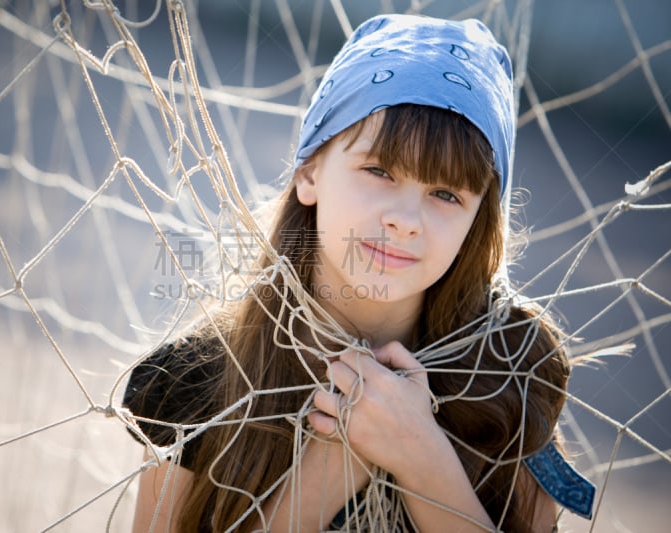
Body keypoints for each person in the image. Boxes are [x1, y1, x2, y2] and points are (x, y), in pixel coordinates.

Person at [122, 13, 594, 532]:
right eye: (379, 171)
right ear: (309, 172)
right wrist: (337, 462)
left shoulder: (511, 368)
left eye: (445, 194)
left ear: (476, 220)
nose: (405, 219)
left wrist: (419, 454)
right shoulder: (196, 379)